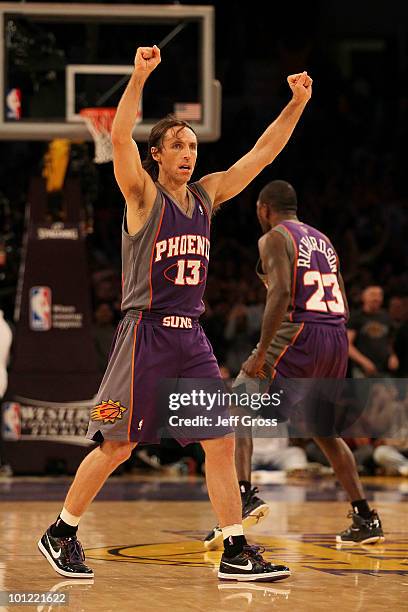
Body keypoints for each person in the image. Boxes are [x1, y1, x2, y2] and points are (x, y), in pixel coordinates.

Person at [38, 46, 312, 581]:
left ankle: (235, 549)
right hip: (144, 334)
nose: (188, 154)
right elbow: (119, 136)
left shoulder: (207, 195)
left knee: (220, 439)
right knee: (117, 444)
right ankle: (61, 531)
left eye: (192, 145)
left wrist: (296, 104)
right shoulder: (141, 194)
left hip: (191, 339)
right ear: (157, 155)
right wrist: (139, 76)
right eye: (177, 146)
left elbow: (261, 155)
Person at [204, 180, 384, 549]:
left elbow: (283, 291)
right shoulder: (324, 241)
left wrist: (262, 351)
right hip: (334, 332)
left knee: (238, 403)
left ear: (263, 208)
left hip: (300, 330)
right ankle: (366, 516)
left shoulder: (274, 237)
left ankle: (242, 495)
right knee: (323, 430)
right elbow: (344, 299)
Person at [347, 286, 399, 377]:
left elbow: (388, 341)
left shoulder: (386, 317)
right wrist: (364, 362)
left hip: (384, 368)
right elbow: (347, 345)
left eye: (380, 295)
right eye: (373, 294)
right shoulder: (356, 317)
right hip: (362, 370)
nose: (376, 298)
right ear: (363, 297)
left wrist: (392, 355)